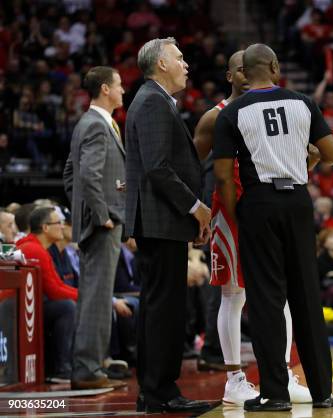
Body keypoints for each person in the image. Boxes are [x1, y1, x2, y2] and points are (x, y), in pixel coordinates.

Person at [213, 43, 333, 412]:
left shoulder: (232, 112)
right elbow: (331, 153)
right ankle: (322, 392)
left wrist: (240, 214)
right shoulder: (303, 102)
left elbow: (223, 176)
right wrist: (308, 155)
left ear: (244, 72)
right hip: (299, 201)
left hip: (258, 202)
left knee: (267, 300)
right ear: (273, 66)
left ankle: (274, 393)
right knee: (306, 297)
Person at [193, 50, 311, 406]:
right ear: (229, 76)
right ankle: (233, 378)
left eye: (251, 68)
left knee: (281, 292)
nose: (248, 74)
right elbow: (188, 164)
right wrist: (194, 210)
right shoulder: (215, 118)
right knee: (234, 294)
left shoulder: (274, 110)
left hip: (265, 204)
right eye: (240, 70)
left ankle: (283, 373)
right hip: (230, 210)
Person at [124, 37, 213, 414]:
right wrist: (196, 207)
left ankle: (154, 390)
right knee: (164, 310)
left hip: (161, 222)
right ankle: (161, 391)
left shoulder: (153, 101)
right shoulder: (152, 102)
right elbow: (159, 167)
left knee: (160, 308)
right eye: (179, 58)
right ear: (161, 64)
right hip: (160, 222)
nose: (186, 64)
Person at [63, 66, 127, 390]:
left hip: (98, 222)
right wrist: (99, 214)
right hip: (103, 224)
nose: (123, 90)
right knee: (97, 298)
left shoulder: (89, 124)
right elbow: (85, 176)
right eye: (119, 85)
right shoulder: (97, 126)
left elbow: (69, 176)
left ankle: (91, 364)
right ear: (105, 89)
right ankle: (87, 369)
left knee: (95, 296)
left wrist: (83, 213)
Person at [16, 207, 80, 383]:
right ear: (45, 228)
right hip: (19, 310)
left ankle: (75, 364)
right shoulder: (34, 249)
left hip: (27, 306)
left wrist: (83, 296)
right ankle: (61, 369)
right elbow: (54, 290)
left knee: (69, 305)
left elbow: (58, 285)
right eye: (58, 223)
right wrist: (84, 297)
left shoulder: (38, 248)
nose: (62, 226)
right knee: (67, 307)